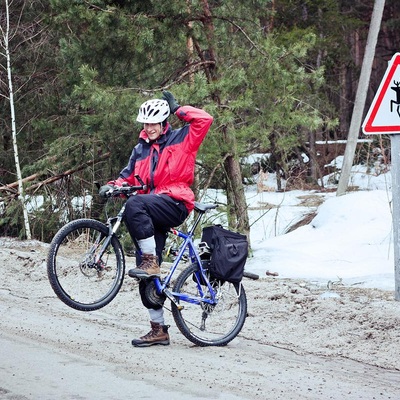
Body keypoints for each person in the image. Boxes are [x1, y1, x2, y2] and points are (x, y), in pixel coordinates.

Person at [99, 91, 213, 347]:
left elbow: (205, 119)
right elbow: (128, 178)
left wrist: (179, 109)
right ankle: (159, 329)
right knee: (145, 274)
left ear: (163, 123)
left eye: (154, 124)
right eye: (146, 124)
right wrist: (112, 186)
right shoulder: (139, 150)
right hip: (152, 209)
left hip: (176, 202)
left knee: (136, 204)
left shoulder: (182, 138)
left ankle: (151, 260)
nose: (149, 128)